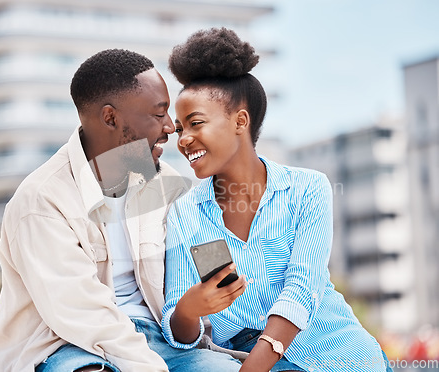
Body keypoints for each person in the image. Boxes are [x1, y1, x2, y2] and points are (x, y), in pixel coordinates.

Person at [0, 49, 243, 372]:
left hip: (163, 339)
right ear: (110, 118)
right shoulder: (42, 200)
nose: (170, 127)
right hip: (67, 346)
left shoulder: (167, 185)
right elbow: (80, 314)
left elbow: (200, 280)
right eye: (157, 114)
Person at [161, 27, 393, 372]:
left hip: (339, 356)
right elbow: (182, 333)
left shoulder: (307, 189)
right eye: (181, 129)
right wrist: (188, 309)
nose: (184, 140)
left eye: (195, 124)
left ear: (240, 121)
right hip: (239, 358)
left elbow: (302, 289)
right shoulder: (185, 212)